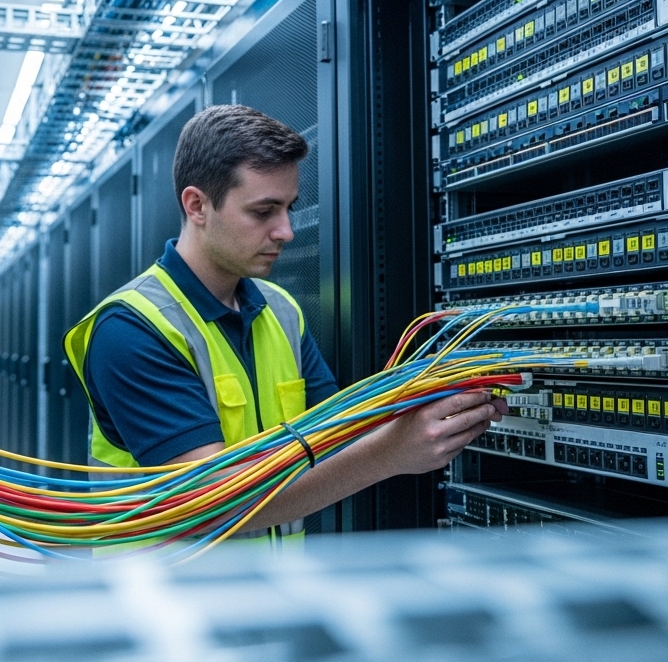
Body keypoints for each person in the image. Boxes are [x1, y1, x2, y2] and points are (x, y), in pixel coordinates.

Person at [63, 105, 505, 543]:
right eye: (263, 211)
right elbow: (214, 504)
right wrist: (391, 453)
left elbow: (335, 436)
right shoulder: (131, 328)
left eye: (290, 208)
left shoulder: (280, 310)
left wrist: (431, 408)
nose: (286, 231)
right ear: (197, 205)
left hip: (269, 597)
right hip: (164, 602)